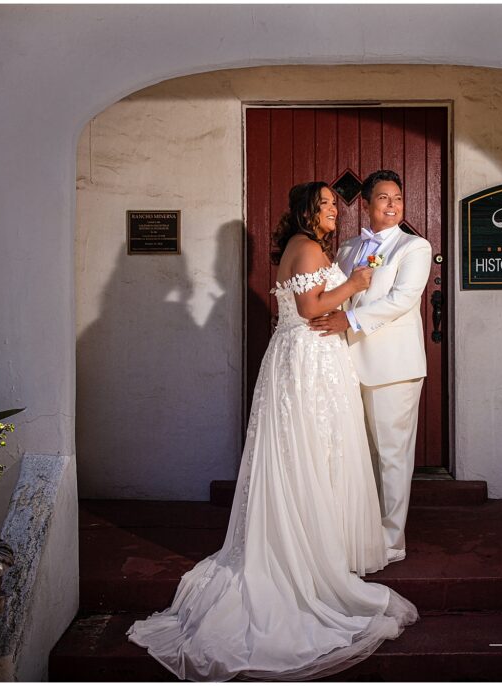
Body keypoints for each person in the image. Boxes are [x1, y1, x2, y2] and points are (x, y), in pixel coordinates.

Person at [127, 181, 418, 681]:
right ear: (308, 210)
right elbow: (310, 309)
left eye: (335, 203)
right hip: (308, 359)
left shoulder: (396, 247)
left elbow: (384, 300)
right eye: (326, 204)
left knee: (322, 456)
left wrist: (347, 299)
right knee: (306, 456)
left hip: (330, 358)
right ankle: (303, 555)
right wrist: (354, 287)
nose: (334, 210)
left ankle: (329, 543)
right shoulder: (309, 249)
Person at [309, 170, 432, 563]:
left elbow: (402, 299)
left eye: (397, 197)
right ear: (366, 203)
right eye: (383, 198)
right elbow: (335, 297)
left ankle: (392, 541)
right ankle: (360, 534)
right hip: (345, 364)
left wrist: (350, 321)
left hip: (392, 368)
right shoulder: (346, 248)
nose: (393, 204)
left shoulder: (414, 247)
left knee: (392, 457)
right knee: (357, 456)